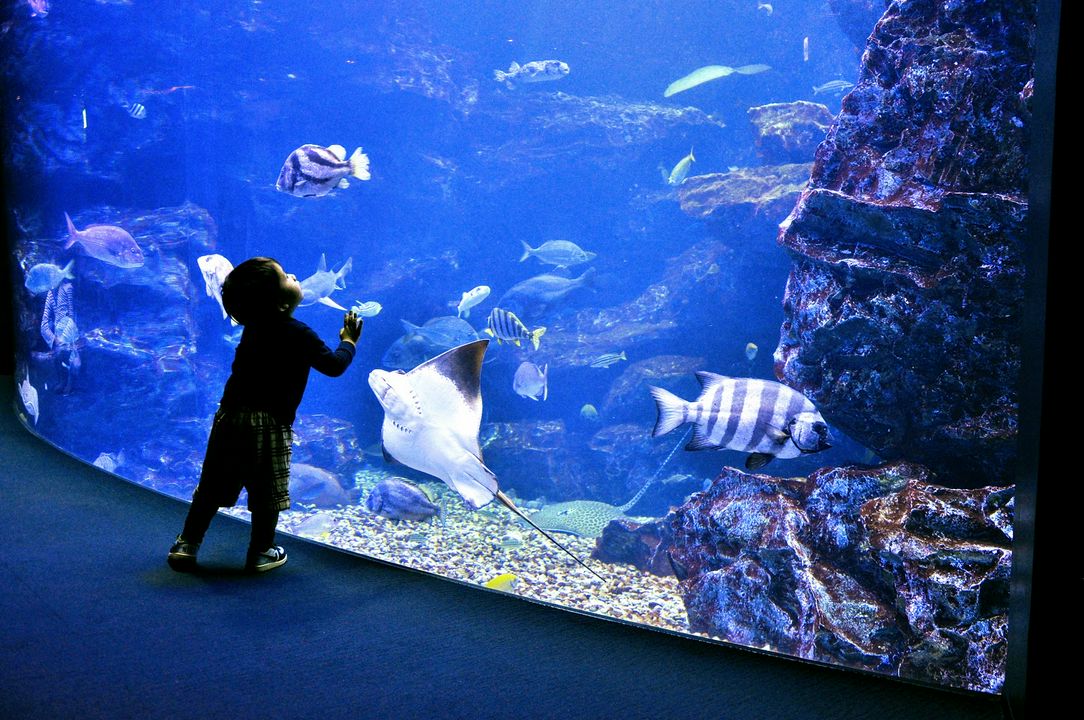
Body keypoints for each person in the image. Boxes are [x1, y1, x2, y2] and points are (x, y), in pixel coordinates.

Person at [167, 257, 362, 573]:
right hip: (271, 424)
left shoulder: (252, 329)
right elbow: (334, 366)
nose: (294, 273)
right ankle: (261, 551)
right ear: (283, 304)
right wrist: (349, 342)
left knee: (212, 487)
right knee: (267, 492)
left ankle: (187, 543)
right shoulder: (300, 333)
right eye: (286, 276)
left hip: (229, 418)